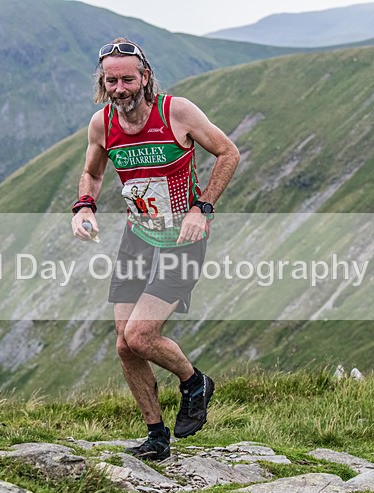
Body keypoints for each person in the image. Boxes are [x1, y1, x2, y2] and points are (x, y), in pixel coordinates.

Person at [71, 38, 239, 461]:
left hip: (182, 240)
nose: (120, 88)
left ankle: (193, 381)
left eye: (128, 78)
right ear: (102, 81)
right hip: (137, 237)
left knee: (142, 334)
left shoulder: (176, 112)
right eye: (111, 80)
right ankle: (156, 436)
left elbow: (228, 152)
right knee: (124, 344)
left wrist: (202, 209)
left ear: (145, 77)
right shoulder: (102, 123)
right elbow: (91, 173)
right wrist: (84, 207)